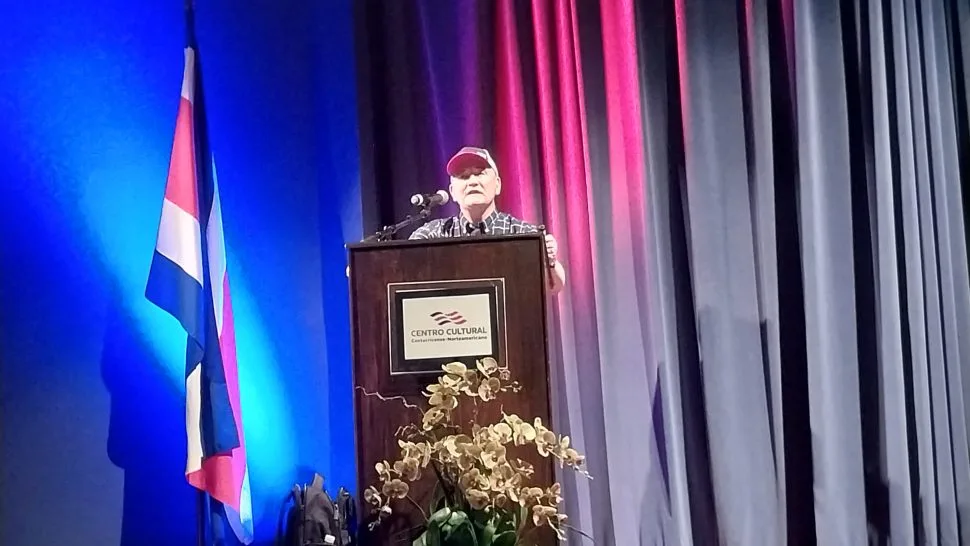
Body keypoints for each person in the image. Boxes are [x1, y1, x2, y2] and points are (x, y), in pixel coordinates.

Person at [410, 146, 566, 294]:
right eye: (464, 176)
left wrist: (549, 261)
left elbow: (554, 287)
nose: (472, 182)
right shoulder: (433, 233)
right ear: (452, 192)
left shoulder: (522, 233)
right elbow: (406, 265)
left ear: (497, 185)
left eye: (479, 173)